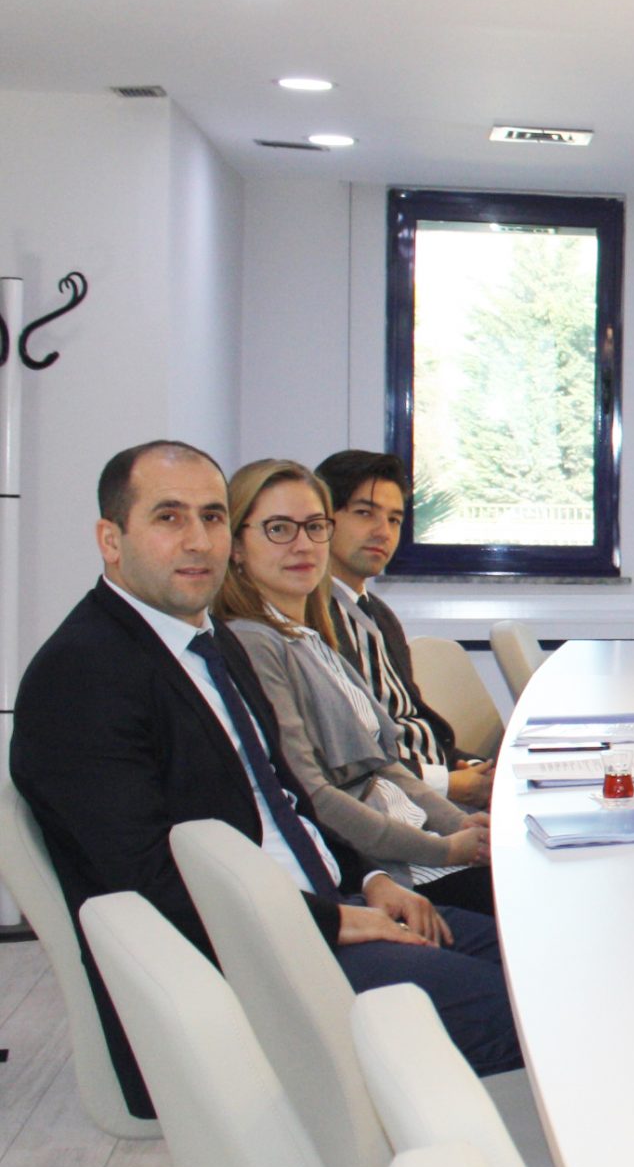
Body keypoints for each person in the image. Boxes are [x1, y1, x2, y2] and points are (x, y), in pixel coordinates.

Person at [11, 441, 520, 1119]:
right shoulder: (83, 674)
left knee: (542, 969)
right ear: (111, 539)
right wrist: (335, 919)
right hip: (245, 964)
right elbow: (148, 883)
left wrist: (371, 880)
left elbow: (290, 799)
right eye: (168, 517)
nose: (198, 541)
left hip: (317, 912)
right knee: (530, 1020)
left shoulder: (209, 642)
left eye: (212, 516)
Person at [215, 458, 498, 918]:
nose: (303, 544)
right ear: (236, 546)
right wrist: (448, 848)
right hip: (391, 866)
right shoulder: (253, 642)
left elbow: (383, 764)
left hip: (413, 835)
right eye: (279, 529)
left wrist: (463, 827)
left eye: (314, 527)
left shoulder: (310, 634)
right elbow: (316, 795)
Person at [314, 448, 492, 808]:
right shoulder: (311, 620)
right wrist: (448, 784)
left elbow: (413, 722)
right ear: (322, 520)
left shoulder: (380, 615)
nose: (383, 532)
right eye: (365, 513)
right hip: (399, 805)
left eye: (394, 520)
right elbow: (345, 759)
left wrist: (478, 770)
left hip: (438, 781)